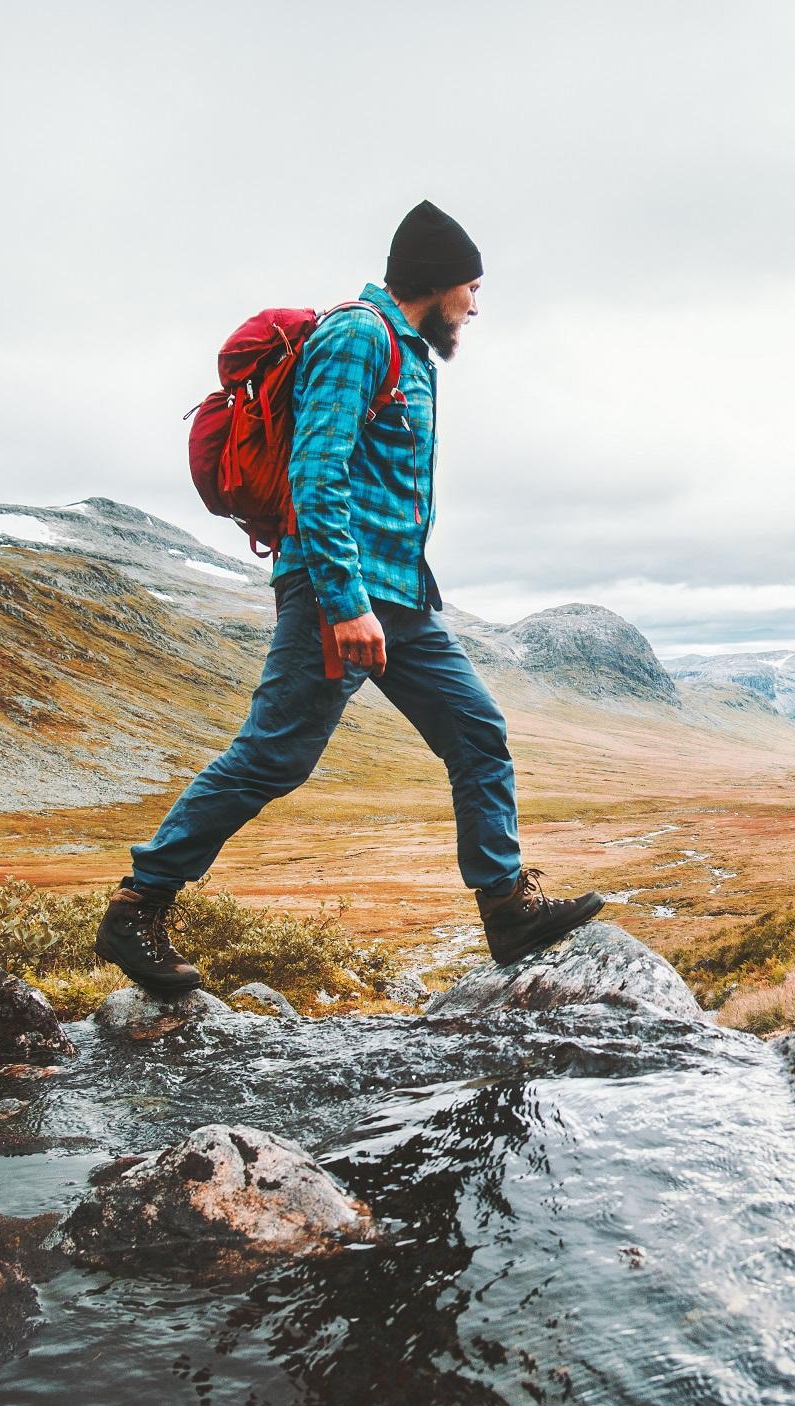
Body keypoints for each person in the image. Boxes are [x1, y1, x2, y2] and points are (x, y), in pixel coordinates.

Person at [96, 200, 601, 994]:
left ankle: (506, 909)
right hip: (342, 591)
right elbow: (315, 472)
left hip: (401, 596)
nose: (477, 304)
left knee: (476, 730)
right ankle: (137, 906)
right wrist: (344, 601)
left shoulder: (411, 353)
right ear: (436, 285)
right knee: (274, 756)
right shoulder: (358, 336)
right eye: (471, 287)